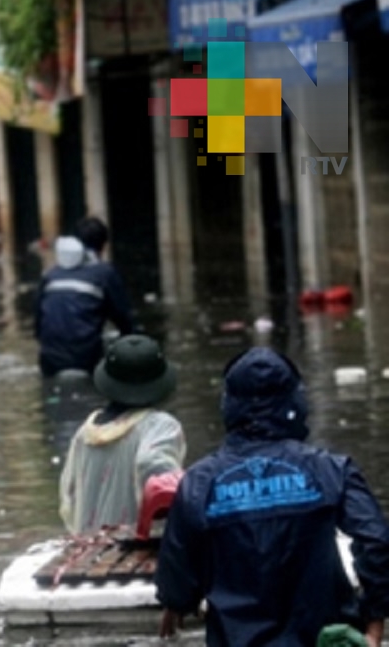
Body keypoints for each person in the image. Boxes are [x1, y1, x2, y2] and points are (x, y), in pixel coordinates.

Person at [155, 347, 389, 647]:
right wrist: (374, 625)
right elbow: (377, 541)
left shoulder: (198, 484)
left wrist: (175, 601)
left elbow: (178, 572)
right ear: (295, 400)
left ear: (228, 403)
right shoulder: (332, 470)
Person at [59, 334, 184, 535]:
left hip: (90, 555)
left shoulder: (84, 434)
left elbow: (70, 499)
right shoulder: (159, 426)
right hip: (134, 553)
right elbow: (153, 466)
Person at [35, 235, 133, 378]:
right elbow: (122, 316)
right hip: (86, 358)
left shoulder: (49, 277)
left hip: (51, 359)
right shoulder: (102, 274)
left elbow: (38, 322)